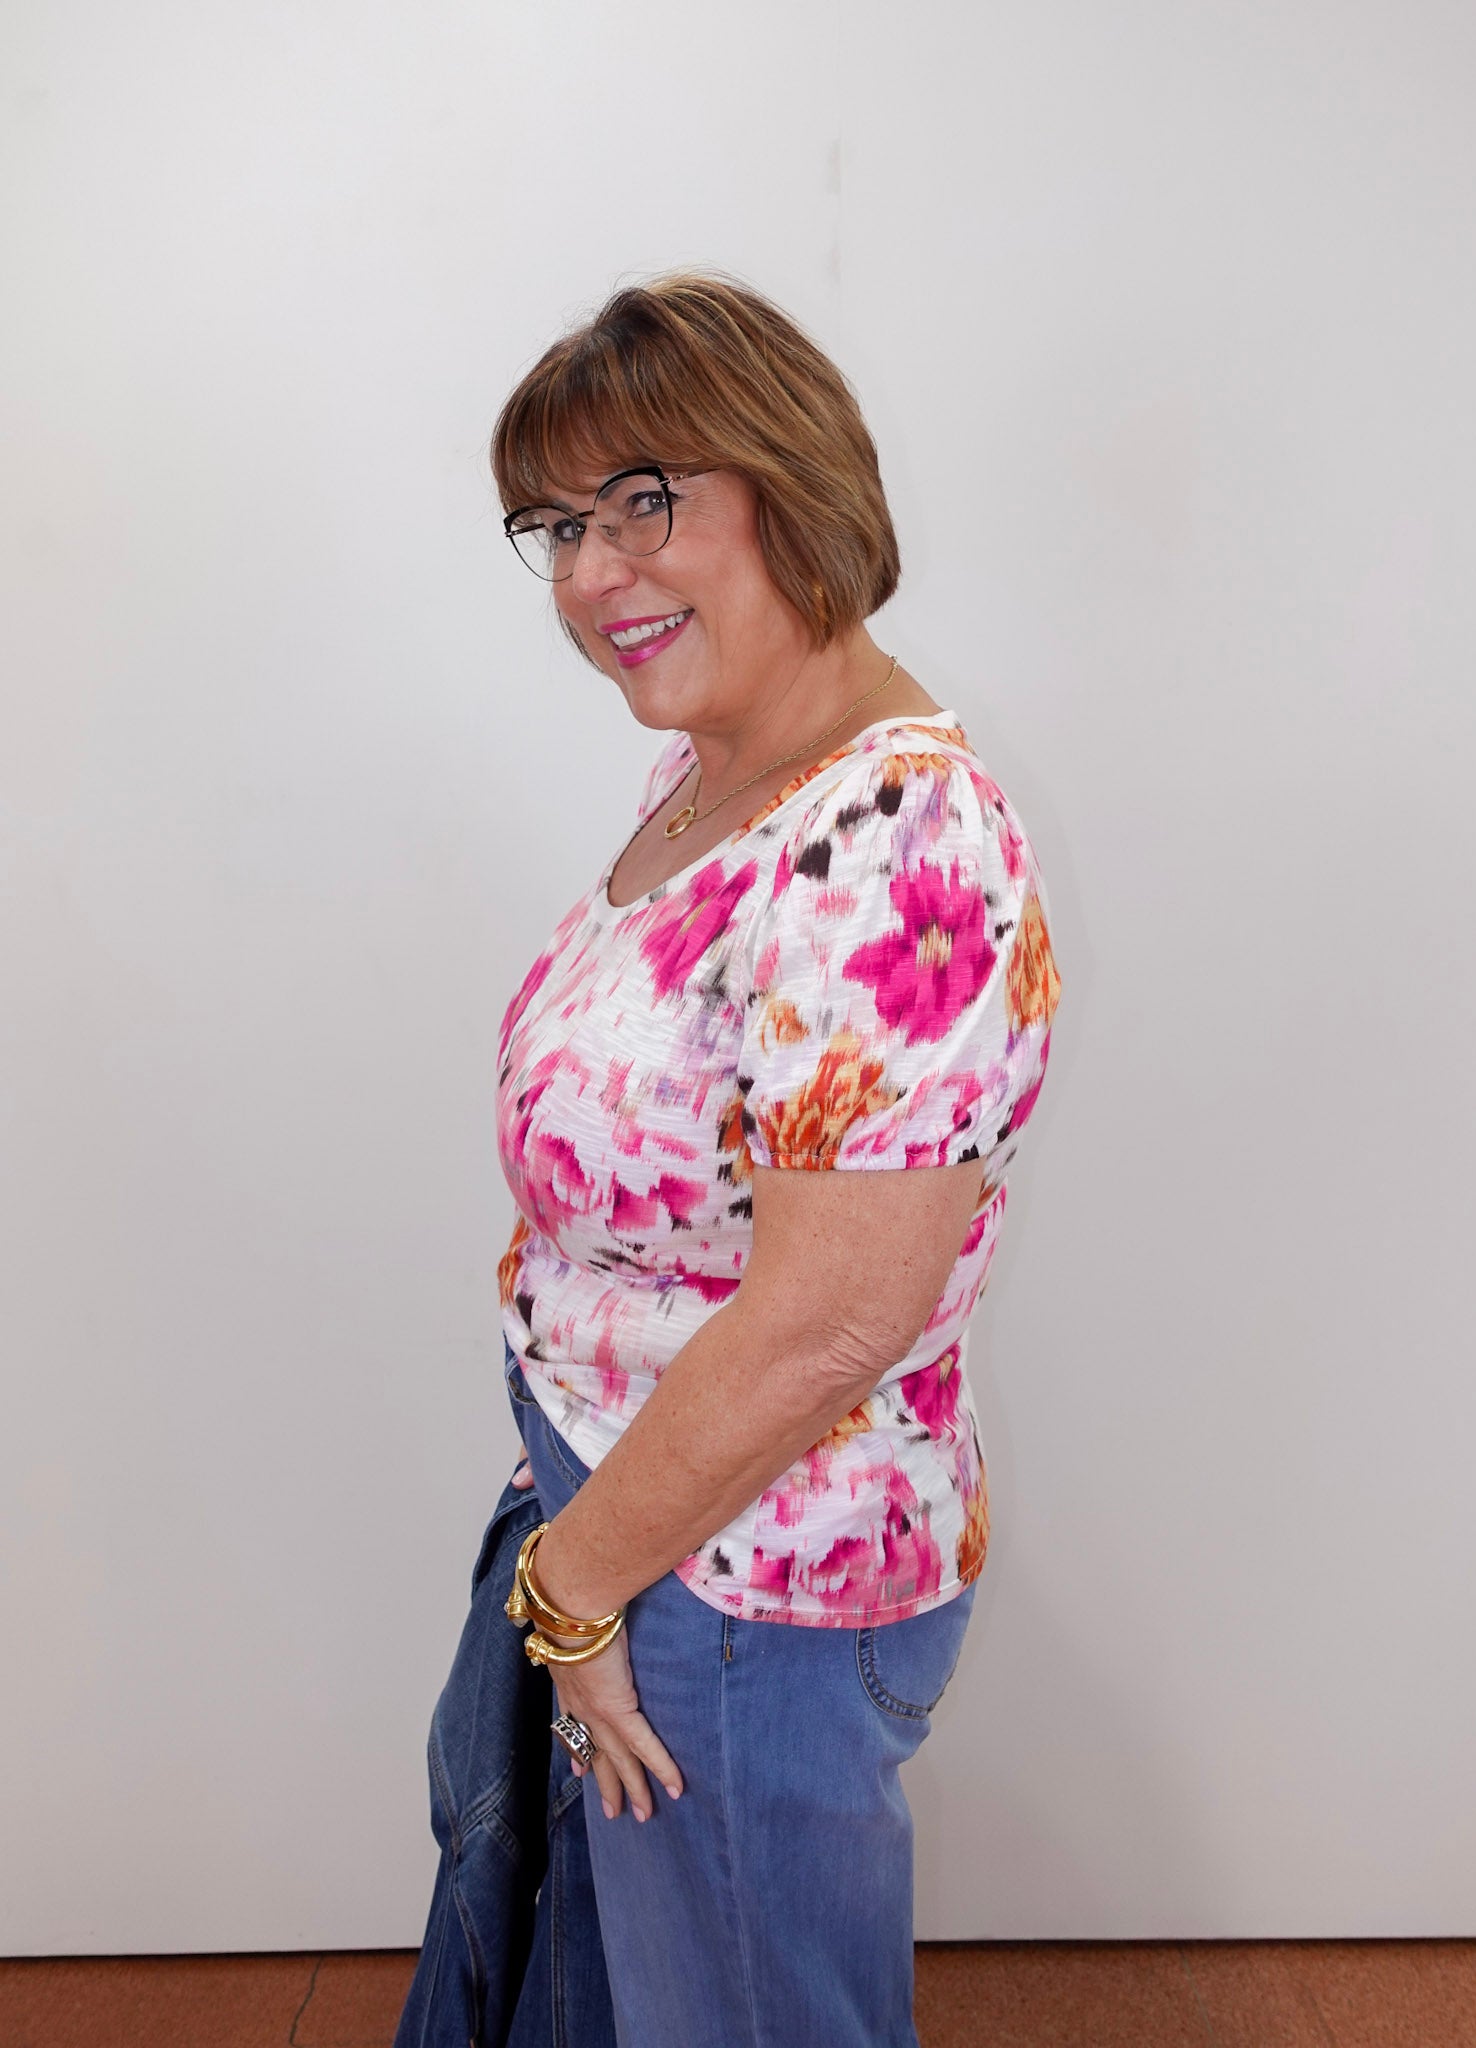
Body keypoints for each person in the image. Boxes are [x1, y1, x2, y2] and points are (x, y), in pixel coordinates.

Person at [460, 272, 1057, 2047]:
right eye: (557, 524)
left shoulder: (896, 841)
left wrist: (575, 1591)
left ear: (792, 485)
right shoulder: (725, 769)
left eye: (646, 501)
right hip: (646, 1526)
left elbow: (827, 1322)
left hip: (740, 1585)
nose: (589, 574)